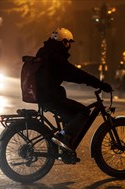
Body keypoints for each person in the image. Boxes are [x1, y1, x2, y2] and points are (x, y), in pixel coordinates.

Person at [34, 27, 113, 160]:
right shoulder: (55, 56)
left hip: (45, 95)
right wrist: (99, 84)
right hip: (50, 97)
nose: (69, 46)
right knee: (83, 112)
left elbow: (69, 75)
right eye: (69, 42)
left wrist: (88, 81)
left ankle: (66, 148)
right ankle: (62, 136)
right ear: (64, 42)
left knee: (71, 114)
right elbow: (75, 74)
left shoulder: (46, 52)